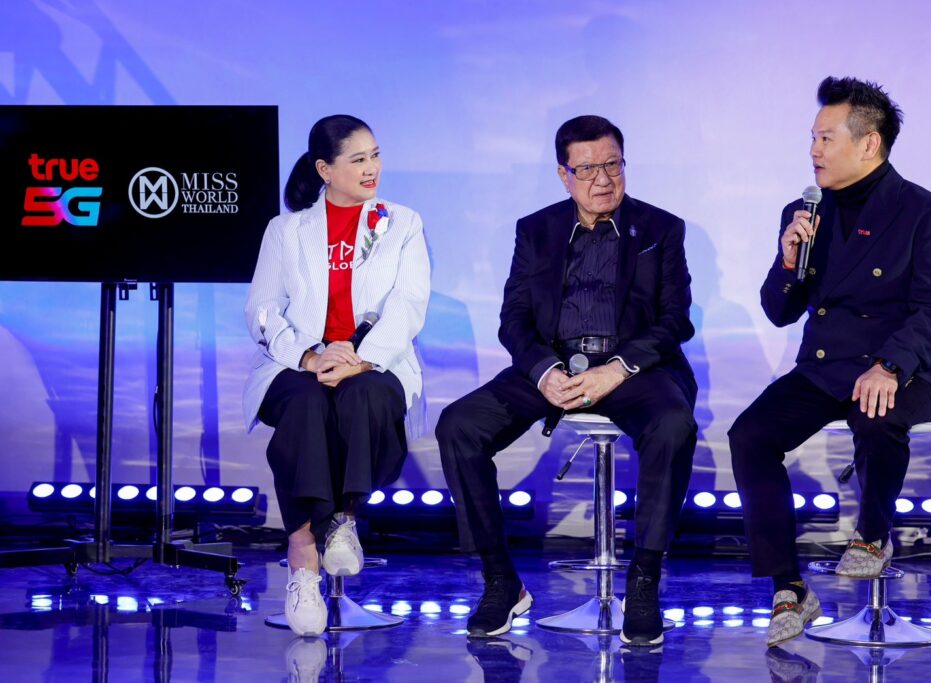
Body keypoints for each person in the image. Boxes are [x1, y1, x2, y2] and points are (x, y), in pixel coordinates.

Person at [436, 115, 698, 646]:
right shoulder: (536, 230)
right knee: (458, 425)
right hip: (553, 366)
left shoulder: (661, 229)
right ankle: (500, 580)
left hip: (632, 368)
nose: (603, 179)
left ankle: (643, 582)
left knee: (674, 425)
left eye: (613, 165)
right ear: (564, 174)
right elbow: (513, 319)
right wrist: (543, 371)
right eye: (587, 169)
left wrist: (616, 369)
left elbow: (676, 320)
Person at [729, 77, 931, 647]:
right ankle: (789, 587)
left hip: (906, 364)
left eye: (826, 138)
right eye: (812, 137)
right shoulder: (805, 211)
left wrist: (889, 365)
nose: (813, 150)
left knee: (875, 412)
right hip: (826, 365)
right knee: (750, 434)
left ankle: (873, 534)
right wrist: (789, 261)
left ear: (869, 143)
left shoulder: (924, 212)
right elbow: (779, 311)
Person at [243, 115, 430, 636]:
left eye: (376, 155)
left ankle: (343, 521)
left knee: (363, 395)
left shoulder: (402, 222)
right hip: (296, 363)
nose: (373, 168)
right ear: (325, 169)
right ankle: (304, 552)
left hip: (373, 362)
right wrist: (309, 357)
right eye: (358, 159)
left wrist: (361, 359)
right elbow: (262, 311)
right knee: (304, 403)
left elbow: (408, 304)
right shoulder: (286, 231)